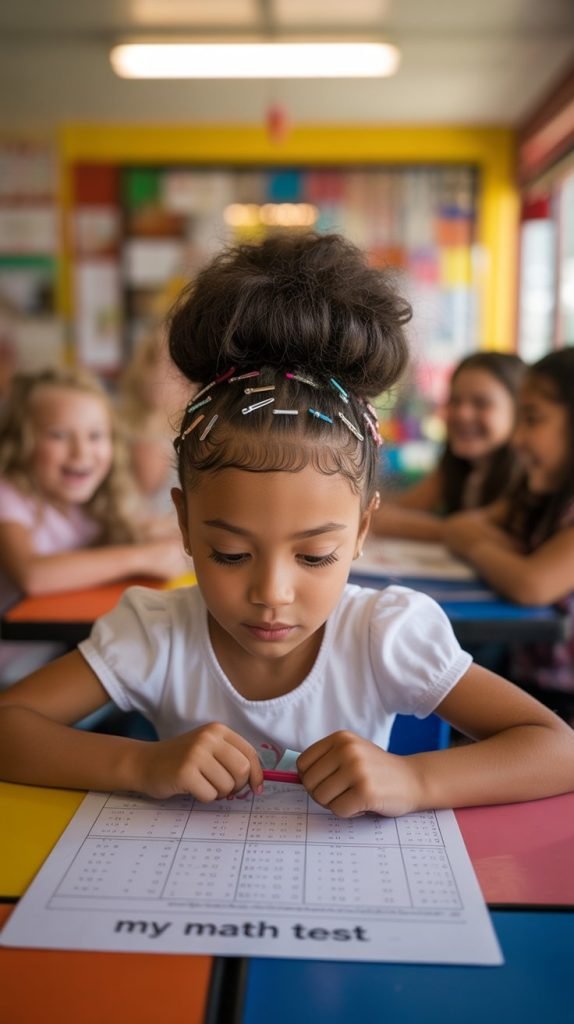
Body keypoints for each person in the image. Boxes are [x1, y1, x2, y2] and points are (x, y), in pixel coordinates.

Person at [0, 235, 572, 818]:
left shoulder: (384, 637)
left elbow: (558, 748)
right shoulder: (155, 634)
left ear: (362, 528)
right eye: (228, 552)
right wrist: (140, 763)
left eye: (316, 555)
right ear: (184, 523)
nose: (271, 593)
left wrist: (416, 780)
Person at [0, 367, 188, 684]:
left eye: (95, 436)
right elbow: (33, 575)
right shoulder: (9, 495)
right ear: (23, 442)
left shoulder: (86, 506)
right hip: (16, 665)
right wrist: (145, 557)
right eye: (59, 435)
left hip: (62, 651)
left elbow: (143, 529)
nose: (82, 451)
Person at [444, 348, 574, 713]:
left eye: (532, 420)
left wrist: (479, 547)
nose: (517, 440)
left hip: (561, 703)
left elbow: (531, 584)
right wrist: (506, 554)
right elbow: (461, 526)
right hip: (524, 681)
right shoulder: (537, 492)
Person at [371, 352, 525, 542]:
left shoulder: (528, 480)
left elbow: (489, 537)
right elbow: (380, 517)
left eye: (481, 403)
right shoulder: (457, 468)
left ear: (519, 411)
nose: (462, 413)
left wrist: (449, 531)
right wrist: (452, 531)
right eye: (455, 401)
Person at [117, 326, 191, 523]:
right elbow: (138, 516)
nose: (161, 373)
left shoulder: (185, 430)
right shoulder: (150, 441)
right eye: (153, 361)